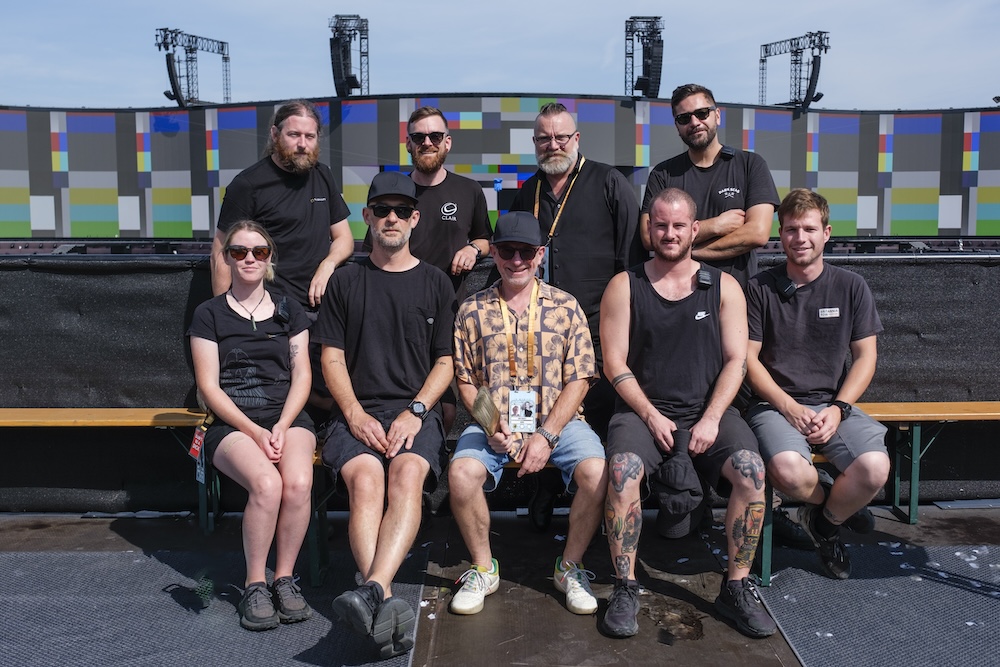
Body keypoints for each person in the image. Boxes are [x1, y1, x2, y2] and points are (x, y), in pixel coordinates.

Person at [599, 188, 776, 640]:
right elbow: (614, 364)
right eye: (661, 225)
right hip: (642, 415)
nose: (669, 233)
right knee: (621, 471)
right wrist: (651, 415)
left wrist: (714, 417)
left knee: (752, 472)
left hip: (707, 413)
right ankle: (625, 586)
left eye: (679, 226)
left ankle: (736, 587)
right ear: (650, 229)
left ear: (694, 229)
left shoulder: (723, 286)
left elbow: (737, 360)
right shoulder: (625, 285)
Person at [314, 171, 456, 659]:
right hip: (356, 414)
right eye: (381, 210)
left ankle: (371, 590)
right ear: (367, 217)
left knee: (408, 473)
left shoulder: (436, 282)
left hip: (416, 414)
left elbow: (446, 362)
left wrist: (417, 411)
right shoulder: (346, 280)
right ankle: (386, 595)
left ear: (415, 219)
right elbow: (329, 356)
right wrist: (352, 414)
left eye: (401, 211)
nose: (391, 218)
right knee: (366, 478)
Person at [448, 211, 608, 617]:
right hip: (494, 425)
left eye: (525, 252)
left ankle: (569, 567)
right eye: (506, 250)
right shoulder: (471, 310)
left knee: (596, 472)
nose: (515, 260)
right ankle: (483, 569)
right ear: (495, 253)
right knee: (460, 474)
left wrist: (547, 435)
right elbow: (465, 380)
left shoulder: (566, 306)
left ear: (540, 254)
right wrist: (490, 424)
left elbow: (581, 378)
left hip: (560, 423)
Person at [510, 102, 643, 530]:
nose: (553, 144)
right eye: (544, 138)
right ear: (534, 143)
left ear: (577, 139)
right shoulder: (525, 192)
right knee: (530, 409)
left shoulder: (609, 182)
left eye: (561, 137)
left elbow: (631, 258)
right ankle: (541, 488)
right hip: (538, 328)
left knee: (599, 415)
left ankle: (601, 507)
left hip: (597, 325)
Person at [745, 188, 889, 580]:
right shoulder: (759, 288)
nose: (800, 238)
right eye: (791, 229)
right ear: (781, 234)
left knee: (875, 468)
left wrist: (838, 408)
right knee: (790, 471)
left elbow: (866, 357)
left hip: (831, 405)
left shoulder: (851, 286)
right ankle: (840, 508)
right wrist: (789, 407)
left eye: (809, 228)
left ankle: (823, 526)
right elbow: (747, 360)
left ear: (827, 232)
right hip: (774, 406)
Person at [188, 220, 316, 632]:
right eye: (239, 252)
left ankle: (285, 578)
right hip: (232, 423)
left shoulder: (289, 308)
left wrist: (281, 423)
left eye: (258, 252)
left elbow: (302, 376)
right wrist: (255, 430)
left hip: (288, 417)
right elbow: (208, 387)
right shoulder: (208, 314)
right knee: (267, 485)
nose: (248, 259)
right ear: (227, 258)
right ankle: (255, 583)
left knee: (296, 483)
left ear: (269, 259)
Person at [212, 99, 355, 412]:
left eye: (310, 136)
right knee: (281, 400)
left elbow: (344, 238)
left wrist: (328, 265)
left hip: (322, 312)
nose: (302, 144)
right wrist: (227, 318)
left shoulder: (323, 175)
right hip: (272, 315)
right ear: (275, 134)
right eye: (294, 135)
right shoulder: (248, 184)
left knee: (330, 397)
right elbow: (222, 253)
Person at [363, 106, 493, 434]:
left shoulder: (469, 190)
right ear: (408, 144)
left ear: (447, 143)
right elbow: (373, 248)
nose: (427, 142)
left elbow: (486, 238)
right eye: (419, 137)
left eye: (435, 136)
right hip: (394, 312)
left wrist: (472, 248)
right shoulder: (393, 193)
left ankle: (431, 470)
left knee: (447, 409)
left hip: (446, 313)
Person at [640, 83, 779, 289]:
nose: (695, 122)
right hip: (677, 296)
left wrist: (684, 251)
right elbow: (648, 236)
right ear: (677, 126)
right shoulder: (663, 174)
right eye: (684, 118)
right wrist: (716, 225)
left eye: (702, 113)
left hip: (737, 297)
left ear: (717, 115)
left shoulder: (750, 165)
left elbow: (757, 233)